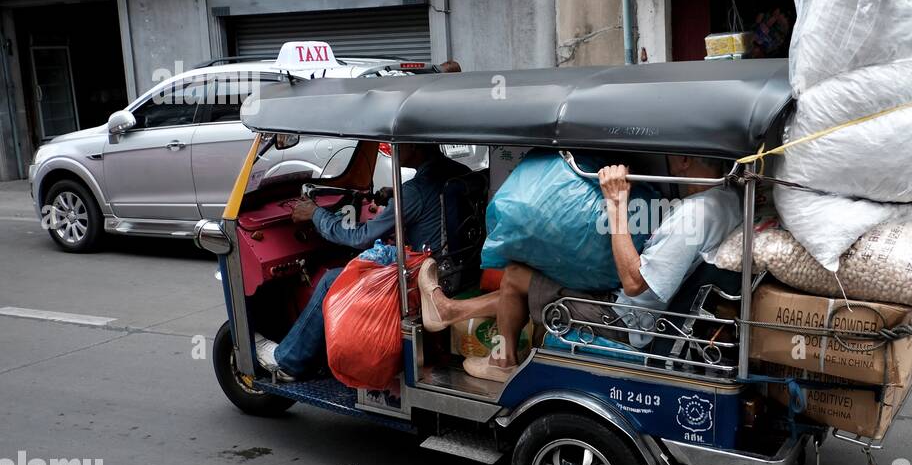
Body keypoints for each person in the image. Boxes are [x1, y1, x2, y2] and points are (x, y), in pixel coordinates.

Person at [419, 155, 741, 382]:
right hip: (645, 312)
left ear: (684, 159)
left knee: (516, 276)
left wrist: (615, 202)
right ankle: (449, 311)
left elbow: (633, 283)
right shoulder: (729, 200)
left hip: (626, 322)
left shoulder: (693, 215)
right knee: (530, 280)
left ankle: (502, 361)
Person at [254, 143, 471, 381]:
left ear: (415, 146)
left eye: (398, 144)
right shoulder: (459, 172)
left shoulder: (414, 191)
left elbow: (359, 237)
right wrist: (394, 199)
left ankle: (289, 361)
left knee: (330, 280)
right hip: (458, 269)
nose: (392, 147)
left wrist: (315, 213)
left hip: (425, 280)